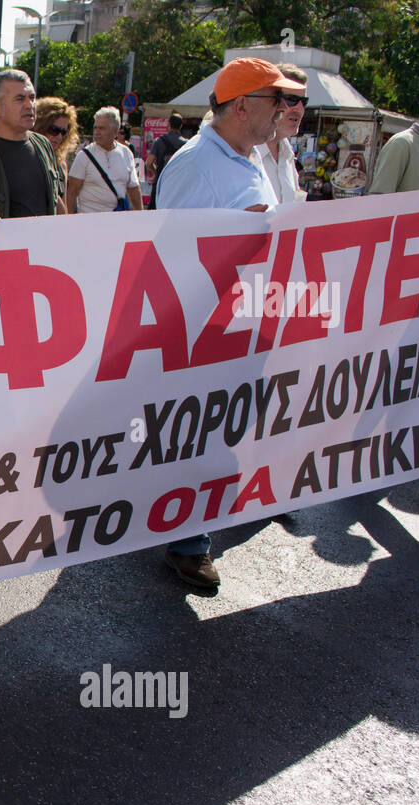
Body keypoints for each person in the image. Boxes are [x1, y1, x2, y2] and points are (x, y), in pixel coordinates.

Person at [153, 57, 306, 589]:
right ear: (243, 106)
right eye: (277, 100)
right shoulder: (196, 164)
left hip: (249, 318)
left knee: (224, 427)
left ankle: (187, 519)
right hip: (207, 329)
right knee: (199, 431)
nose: (286, 110)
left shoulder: (251, 156)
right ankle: (186, 543)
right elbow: (170, 255)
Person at [0, 70, 64, 217]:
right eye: (20, 99)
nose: (29, 105)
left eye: (32, 97)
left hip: (44, 239)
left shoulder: (43, 145)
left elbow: (56, 201)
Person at [67, 106, 142, 212]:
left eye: (101, 128)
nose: (96, 132)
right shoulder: (84, 155)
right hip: (89, 223)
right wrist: (69, 223)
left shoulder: (126, 153)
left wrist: (140, 218)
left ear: (115, 131)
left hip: (117, 222)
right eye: (95, 128)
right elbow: (71, 192)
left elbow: (134, 189)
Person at [254, 64, 308, 204]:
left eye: (304, 102)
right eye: (291, 100)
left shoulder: (287, 155)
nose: (299, 109)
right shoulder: (244, 152)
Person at [35, 96, 78, 209]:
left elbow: (64, 205)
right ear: (40, 126)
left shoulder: (61, 163)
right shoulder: (28, 156)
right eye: (54, 130)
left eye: (64, 132)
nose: (59, 137)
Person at [145, 111, 185, 207]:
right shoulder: (186, 144)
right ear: (181, 126)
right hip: (178, 183)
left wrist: (157, 173)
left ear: (169, 125)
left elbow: (148, 163)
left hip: (161, 183)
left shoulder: (159, 141)